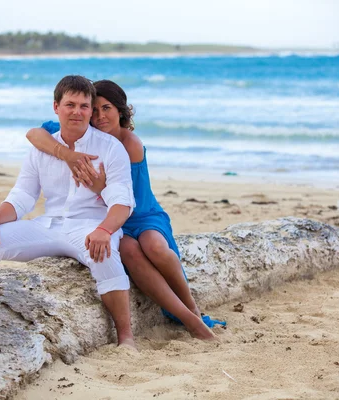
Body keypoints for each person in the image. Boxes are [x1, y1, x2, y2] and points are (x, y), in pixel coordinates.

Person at [26, 80, 218, 340]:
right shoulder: (85, 134)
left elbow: (129, 198)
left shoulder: (129, 144)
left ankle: (193, 309)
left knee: (156, 247)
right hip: (109, 217)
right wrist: (66, 154)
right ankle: (188, 320)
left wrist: (99, 186)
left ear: (121, 111)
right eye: (93, 109)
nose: (99, 116)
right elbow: (34, 134)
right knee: (128, 250)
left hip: (141, 213)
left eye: (106, 108)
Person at [0, 75, 137, 347]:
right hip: (49, 224)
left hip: (90, 225)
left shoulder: (110, 148)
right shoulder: (41, 149)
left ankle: (125, 337)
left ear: (90, 110)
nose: (77, 112)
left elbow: (122, 201)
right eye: (70, 105)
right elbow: (22, 197)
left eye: (83, 106)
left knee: (105, 255)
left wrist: (105, 229)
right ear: (56, 107)